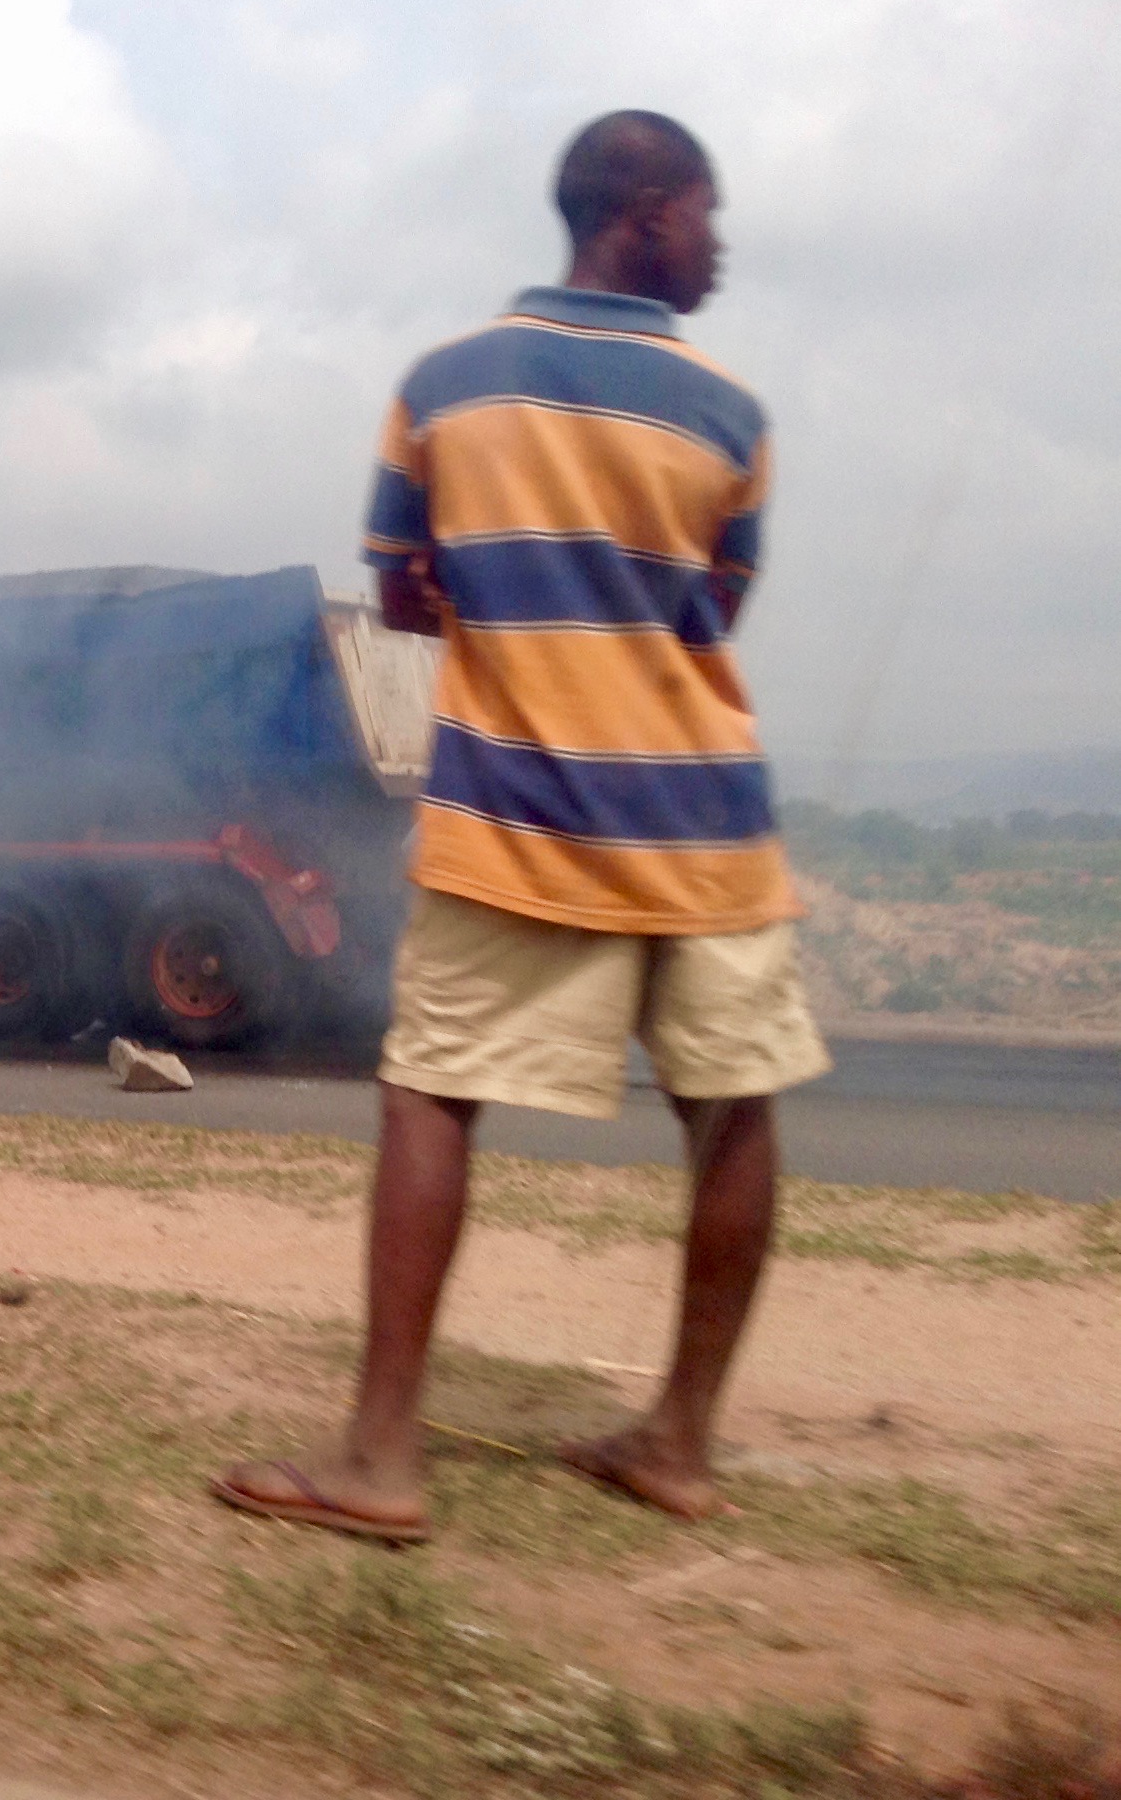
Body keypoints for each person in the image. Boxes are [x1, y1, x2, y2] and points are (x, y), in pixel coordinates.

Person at [213, 111, 829, 1542]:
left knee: (433, 1095)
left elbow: (410, 596)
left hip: (519, 816)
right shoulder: (729, 416)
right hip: (704, 825)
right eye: (706, 216)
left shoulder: (439, 391)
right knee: (730, 1111)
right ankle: (676, 1442)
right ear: (643, 210)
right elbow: (706, 614)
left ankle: (378, 1459)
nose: (718, 245)